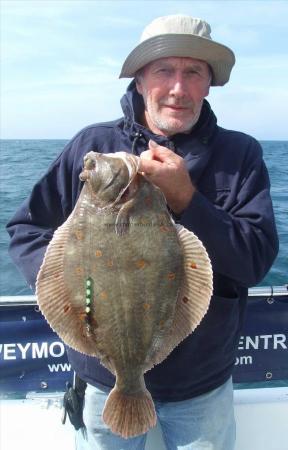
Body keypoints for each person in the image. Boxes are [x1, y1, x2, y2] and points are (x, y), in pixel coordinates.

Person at [6, 14, 278, 450]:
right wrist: (68, 282)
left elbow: (255, 260)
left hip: (201, 385)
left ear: (209, 84)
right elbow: (25, 227)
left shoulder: (239, 154)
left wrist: (188, 199)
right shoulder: (89, 145)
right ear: (138, 81)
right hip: (100, 382)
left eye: (193, 73)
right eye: (163, 71)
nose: (177, 87)